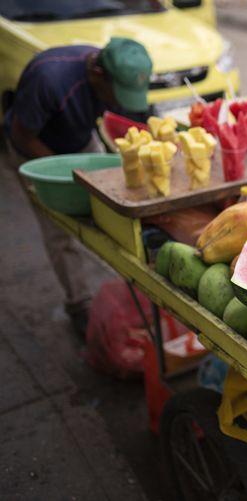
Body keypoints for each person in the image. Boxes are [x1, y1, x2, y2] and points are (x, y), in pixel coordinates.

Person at [4, 37, 153, 334]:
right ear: (98, 74)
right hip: (38, 149)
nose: (118, 101)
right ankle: (79, 303)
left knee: (109, 208)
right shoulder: (49, 80)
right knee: (58, 230)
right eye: (116, 94)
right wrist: (62, 172)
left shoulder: (113, 70)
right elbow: (22, 135)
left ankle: (129, 284)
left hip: (80, 139)